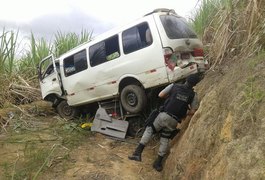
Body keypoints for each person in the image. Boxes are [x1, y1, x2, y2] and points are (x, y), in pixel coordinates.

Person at [128, 73, 201, 172]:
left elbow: (160, 95)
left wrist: (171, 98)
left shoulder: (174, 86)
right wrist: (184, 112)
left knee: (150, 129)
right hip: (174, 121)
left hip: (163, 115)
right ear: (194, 84)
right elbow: (193, 111)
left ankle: (137, 153)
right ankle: (158, 163)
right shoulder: (193, 95)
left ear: (186, 80)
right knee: (165, 138)